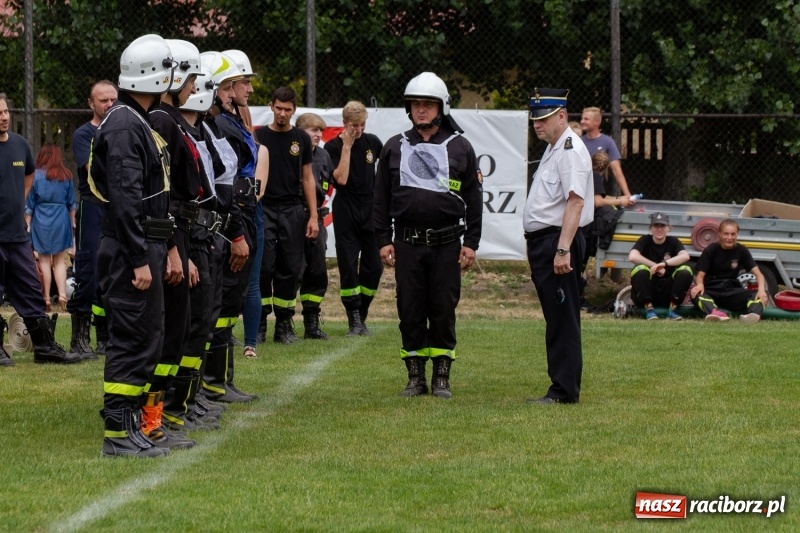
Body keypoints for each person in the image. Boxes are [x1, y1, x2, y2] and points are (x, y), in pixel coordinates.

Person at [90, 34, 177, 457]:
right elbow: (126, 197)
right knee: (130, 337)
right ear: (154, 75)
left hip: (139, 244)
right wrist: (140, 257)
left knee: (146, 336)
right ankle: (118, 433)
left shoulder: (134, 118)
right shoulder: (126, 124)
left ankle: (131, 427)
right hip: (130, 249)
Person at [373, 72, 482, 399]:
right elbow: (381, 199)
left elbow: (474, 200)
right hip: (407, 243)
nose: (421, 110)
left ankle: (442, 377)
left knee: (443, 309)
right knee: (410, 308)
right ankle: (415, 376)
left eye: (428, 104)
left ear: (441, 107)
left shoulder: (460, 147)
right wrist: (383, 239)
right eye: (416, 104)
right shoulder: (394, 147)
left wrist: (472, 243)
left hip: (447, 244)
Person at [144, 38, 206, 446]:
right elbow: (166, 190)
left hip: (181, 231)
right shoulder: (164, 121)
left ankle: (162, 411)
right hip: (174, 231)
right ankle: (152, 416)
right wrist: (173, 250)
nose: (194, 87)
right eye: (191, 78)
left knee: (181, 326)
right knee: (168, 330)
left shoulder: (174, 120)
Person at [0, 94, 83, 368]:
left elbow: (27, 180)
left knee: (31, 288)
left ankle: (45, 347)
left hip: (16, 235)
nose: (3, 117)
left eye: (5, 112)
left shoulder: (20, 144)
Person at [523, 88, 594, 405]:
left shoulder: (569, 149)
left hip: (557, 241)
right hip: (547, 241)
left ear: (562, 116)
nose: (537, 124)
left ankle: (564, 391)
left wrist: (563, 248)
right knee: (556, 316)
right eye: (535, 119)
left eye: (544, 118)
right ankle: (562, 385)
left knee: (563, 318)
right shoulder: (556, 148)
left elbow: (575, 202)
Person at [204, 50, 259, 402]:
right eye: (236, 83)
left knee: (230, 302)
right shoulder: (220, 124)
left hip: (242, 214)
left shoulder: (228, 121)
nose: (246, 90)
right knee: (223, 303)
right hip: (231, 218)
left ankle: (221, 379)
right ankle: (214, 381)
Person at [255, 86, 319, 344]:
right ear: (271, 106)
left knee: (290, 268)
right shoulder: (258, 136)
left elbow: (307, 178)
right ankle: (259, 323)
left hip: (293, 210)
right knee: (263, 267)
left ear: (294, 110)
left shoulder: (301, 139)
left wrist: (313, 216)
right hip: (265, 208)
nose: (282, 114)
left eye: (288, 110)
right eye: (279, 108)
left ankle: (283, 325)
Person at [324, 101, 384, 336]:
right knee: (348, 265)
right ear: (344, 124)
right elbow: (341, 179)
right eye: (354, 126)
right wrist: (347, 146)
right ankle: (354, 319)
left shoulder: (373, 143)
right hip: (346, 207)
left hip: (370, 207)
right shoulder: (332, 147)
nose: (358, 130)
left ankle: (363, 312)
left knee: (374, 267)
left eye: (362, 125)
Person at [68, 80, 117, 358]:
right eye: (103, 100)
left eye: (113, 99)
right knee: (89, 270)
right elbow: (95, 170)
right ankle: (79, 339)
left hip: (118, 208)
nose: (109, 104)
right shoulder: (83, 134)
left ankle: (106, 336)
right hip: (93, 207)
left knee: (114, 274)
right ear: (91, 103)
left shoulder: (126, 129)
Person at [224, 49, 267, 357]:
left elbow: (256, 155)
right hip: (234, 211)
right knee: (229, 283)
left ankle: (249, 342)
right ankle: (223, 347)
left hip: (251, 209)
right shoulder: (221, 124)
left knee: (251, 281)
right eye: (243, 83)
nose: (249, 89)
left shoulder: (240, 119)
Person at [25, 144, 78, 313]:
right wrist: (72, 222)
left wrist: (27, 223)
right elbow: (71, 203)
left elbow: (30, 204)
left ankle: (46, 297)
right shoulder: (67, 176)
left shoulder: (36, 176)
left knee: (44, 260)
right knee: (60, 261)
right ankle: (62, 295)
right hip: (61, 218)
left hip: (41, 219)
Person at [294, 112, 332, 339]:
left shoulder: (325, 156)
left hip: (317, 218)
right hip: (295, 215)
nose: (318, 135)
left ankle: (311, 323)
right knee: (292, 270)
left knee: (317, 271)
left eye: (320, 130)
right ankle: (281, 324)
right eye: (313, 130)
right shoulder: (294, 153)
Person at [690, 219, 767, 322]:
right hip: (712, 290)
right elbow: (699, 276)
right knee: (695, 293)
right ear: (719, 234)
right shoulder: (711, 249)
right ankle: (715, 313)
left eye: (733, 234)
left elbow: (759, 274)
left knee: (760, 293)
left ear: (737, 235)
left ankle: (752, 315)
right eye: (726, 234)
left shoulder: (742, 250)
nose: (729, 238)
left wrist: (761, 290)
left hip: (732, 291)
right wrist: (699, 285)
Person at [628, 212, 693, 320]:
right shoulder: (644, 240)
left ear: (668, 228)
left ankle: (672, 309)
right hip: (648, 289)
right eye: (656, 226)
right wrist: (655, 266)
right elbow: (632, 256)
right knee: (639, 269)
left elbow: (685, 256)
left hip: (668, 291)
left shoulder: (673, 241)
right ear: (651, 228)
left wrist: (664, 264)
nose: (659, 229)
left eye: (662, 226)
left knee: (687, 269)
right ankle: (649, 309)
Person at [580, 106, 634, 199]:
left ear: (596, 122)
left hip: (599, 191)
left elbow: (616, 170)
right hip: (580, 189)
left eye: (586, 119)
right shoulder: (578, 141)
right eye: (582, 118)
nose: (582, 121)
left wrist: (627, 195)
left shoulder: (607, 142)